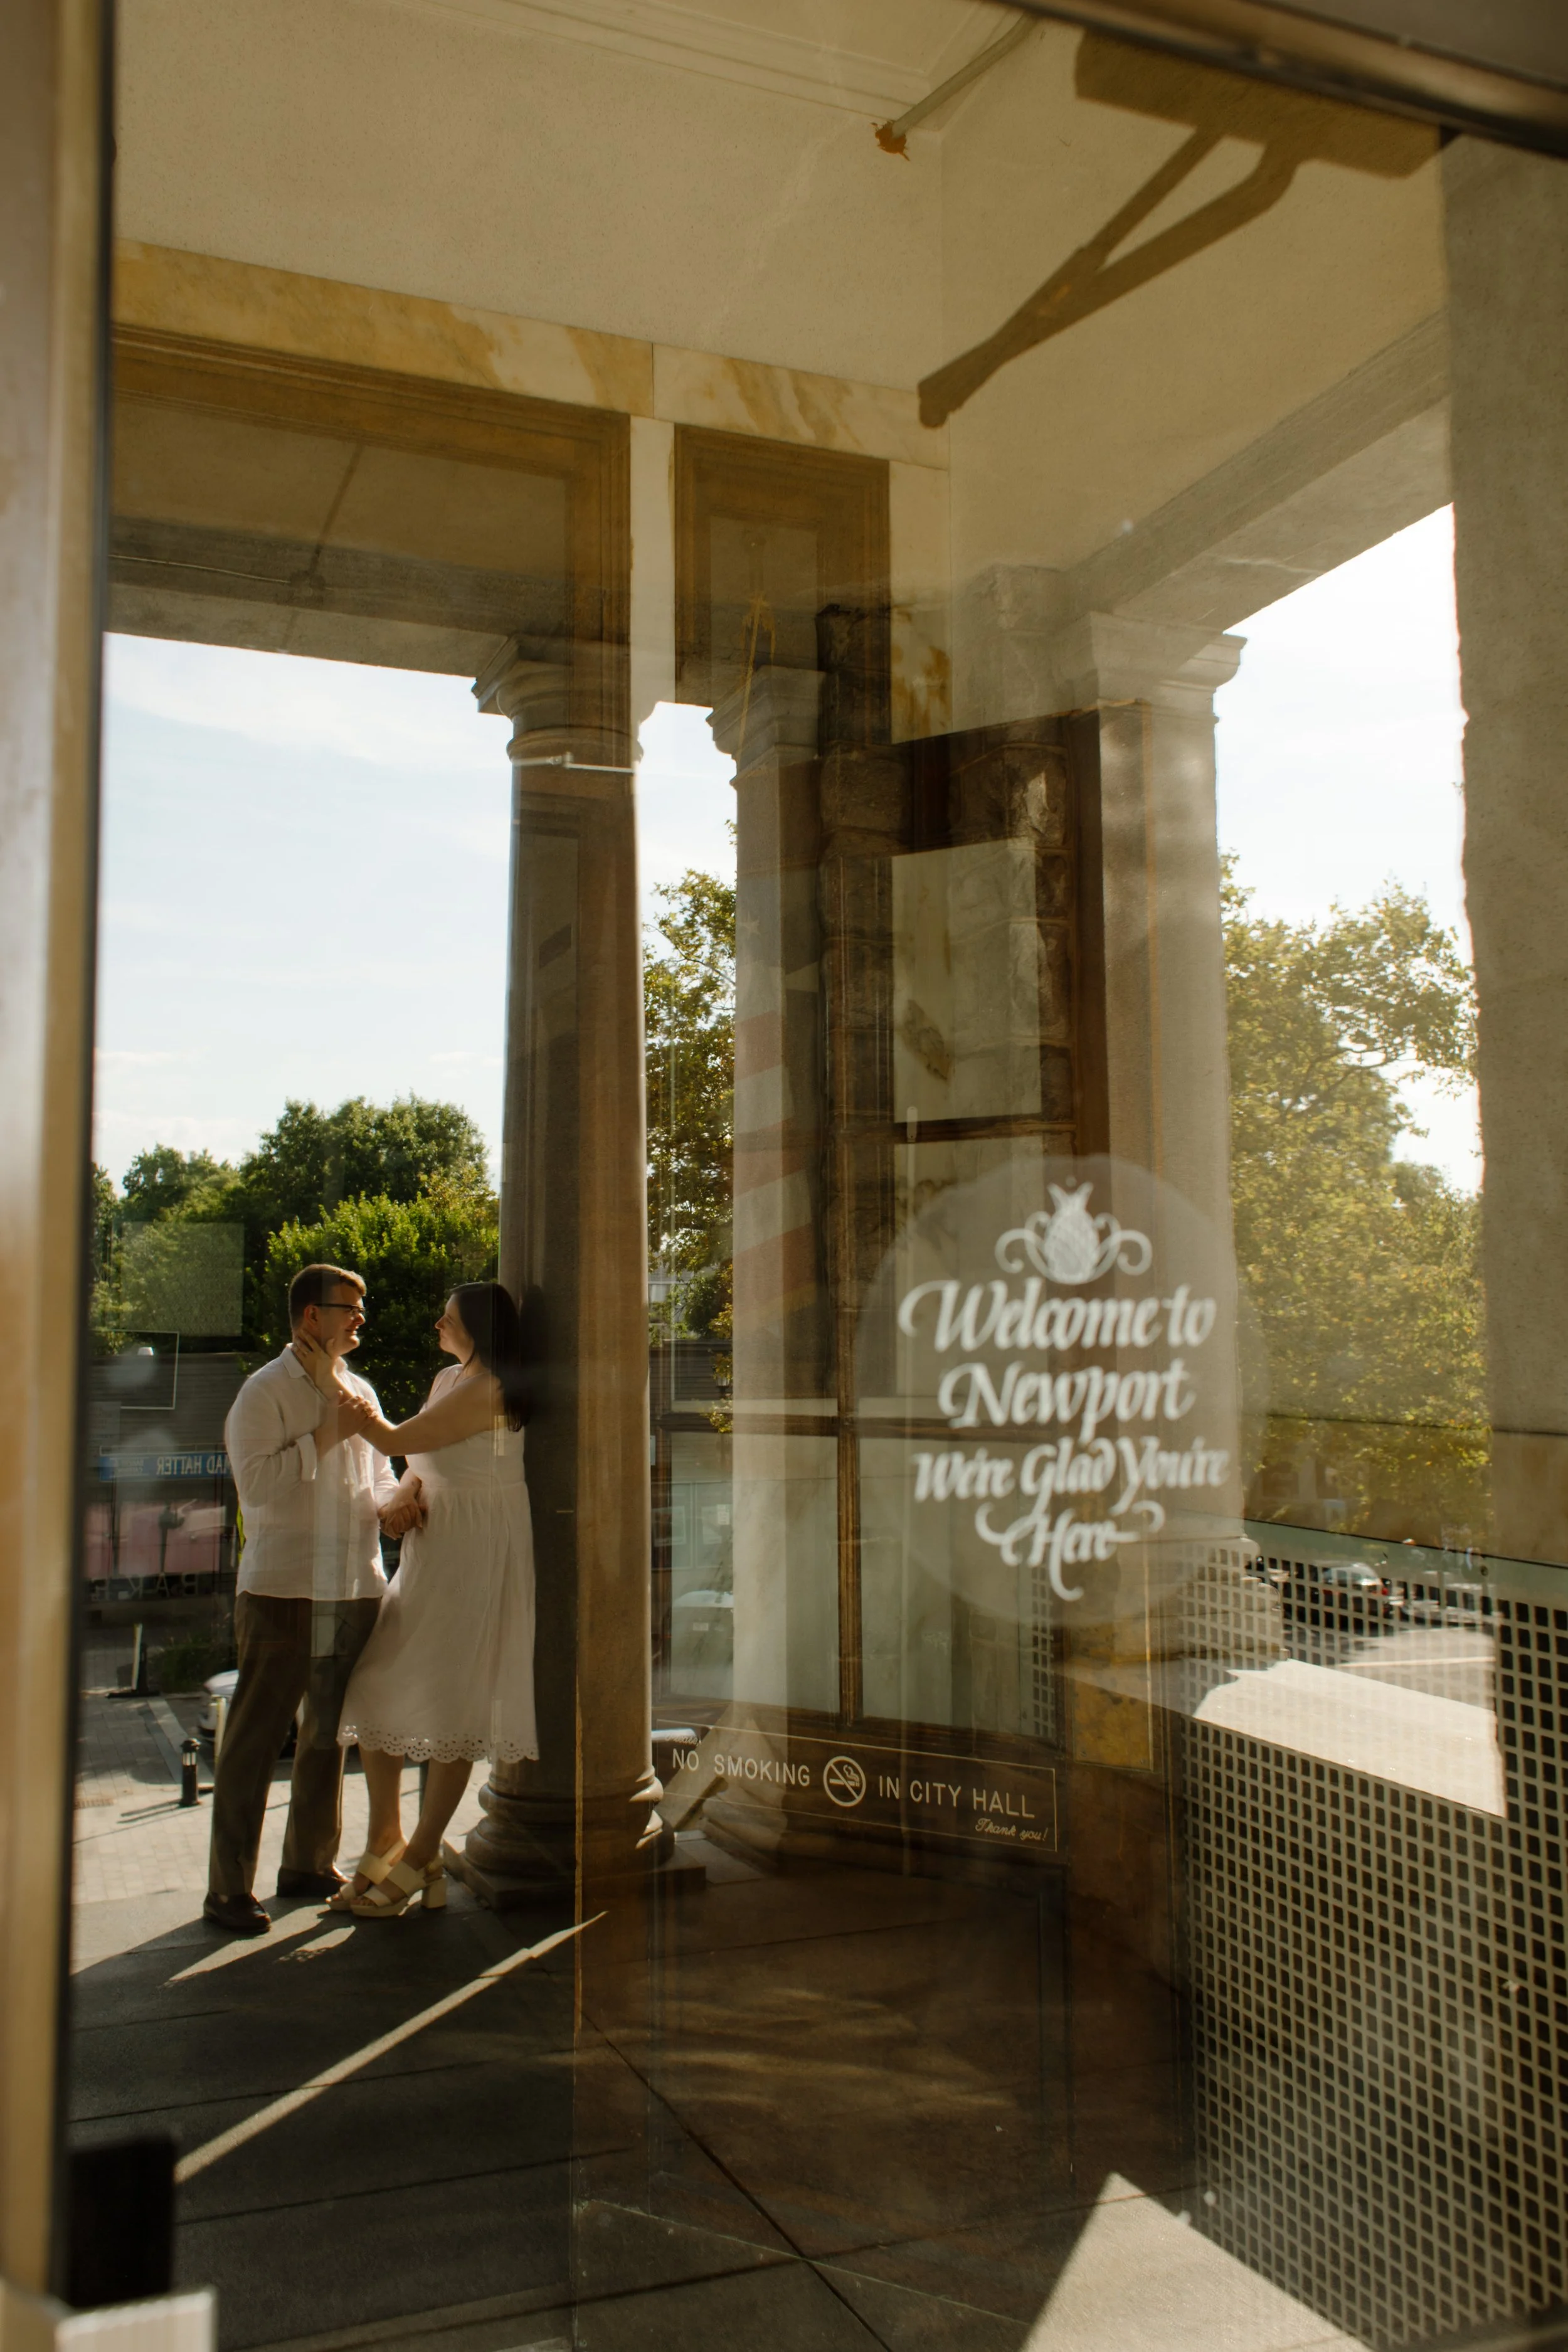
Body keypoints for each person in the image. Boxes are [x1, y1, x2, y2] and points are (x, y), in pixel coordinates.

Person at [297, 1279, 537, 1919]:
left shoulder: (491, 1389)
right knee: (375, 1684)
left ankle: (420, 1853)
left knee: (454, 1699)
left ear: (477, 1329)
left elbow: (394, 1439)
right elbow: (420, 1464)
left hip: (474, 1551)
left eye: (447, 1317)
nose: (436, 1324)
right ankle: (391, 1841)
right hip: (437, 1547)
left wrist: (326, 1375)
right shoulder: (448, 1378)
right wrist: (402, 1499)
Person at [204, 1264, 424, 1937]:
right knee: (253, 1743)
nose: (361, 1319)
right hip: (281, 1591)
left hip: (354, 1588)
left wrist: (397, 1507)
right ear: (311, 1316)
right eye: (350, 1308)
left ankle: (307, 1866)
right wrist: (326, 1431)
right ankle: (227, 1893)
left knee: (329, 1736)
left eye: (363, 1307)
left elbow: (378, 1478)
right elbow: (261, 1490)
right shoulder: (262, 1392)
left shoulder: (358, 1389)